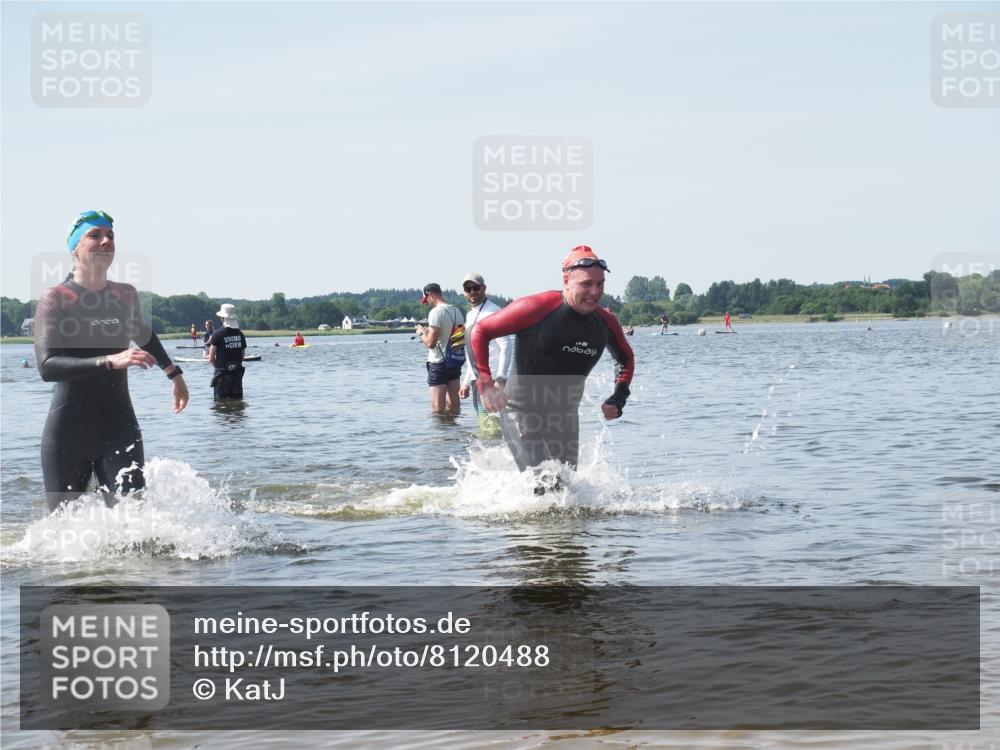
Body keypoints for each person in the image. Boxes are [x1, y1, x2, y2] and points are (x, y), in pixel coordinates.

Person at [34, 210, 188, 511]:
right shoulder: (56, 298)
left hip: (119, 427)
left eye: (111, 236)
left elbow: (144, 335)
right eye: (95, 235)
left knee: (135, 526)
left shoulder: (124, 294)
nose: (106, 241)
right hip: (67, 433)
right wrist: (109, 361)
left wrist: (174, 374)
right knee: (62, 536)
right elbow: (47, 366)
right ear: (74, 247)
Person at [470, 245, 634, 483]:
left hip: (565, 420)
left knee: (568, 495)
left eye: (600, 284)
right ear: (566, 280)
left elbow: (626, 359)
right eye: (586, 284)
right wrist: (485, 383)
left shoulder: (605, 322)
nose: (594, 292)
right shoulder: (538, 307)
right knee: (545, 485)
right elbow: (479, 331)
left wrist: (618, 397)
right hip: (522, 412)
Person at [457, 272, 513, 436]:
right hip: (477, 381)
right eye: (468, 289)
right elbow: (472, 352)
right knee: (487, 426)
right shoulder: (470, 314)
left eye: (476, 288)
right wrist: (466, 382)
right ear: (464, 292)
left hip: (493, 380)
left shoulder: (494, 312)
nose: (472, 292)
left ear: (484, 288)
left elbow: (506, 346)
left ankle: (498, 459)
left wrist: (501, 379)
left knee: (492, 430)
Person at [414, 282, 464, 414]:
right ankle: (453, 433)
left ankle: (440, 434)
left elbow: (430, 343)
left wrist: (421, 333)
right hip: (454, 362)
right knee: (454, 406)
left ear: (430, 295)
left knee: (437, 411)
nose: (428, 302)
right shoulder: (456, 311)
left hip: (438, 363)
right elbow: (458, 340)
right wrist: (429, 331)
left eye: (427, 299)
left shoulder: (435, 312)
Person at [209, 304, 247, 400]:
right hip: (236, 376)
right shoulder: (240, 334)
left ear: (222, 318)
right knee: (238, 404)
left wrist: (220, 369)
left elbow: (211, 358)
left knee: (220, 405)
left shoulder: (217, 334)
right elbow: (242, 357)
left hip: (221, 376)